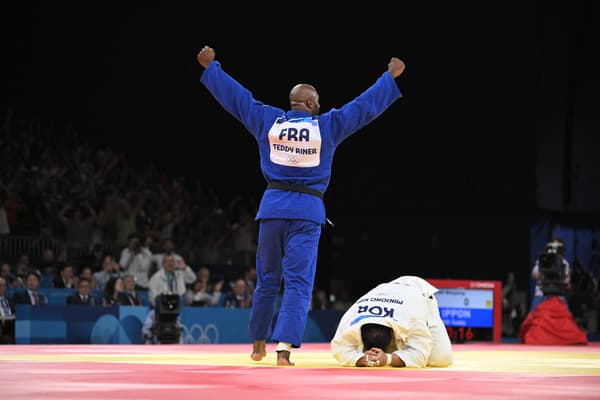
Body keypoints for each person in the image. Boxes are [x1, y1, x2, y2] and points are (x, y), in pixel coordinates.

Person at [196, 45, 406, 365]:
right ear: (309, 103)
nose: (320, 105)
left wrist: (212, 69)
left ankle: (257, 345)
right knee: (298, 282)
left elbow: (237, 99)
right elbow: (363, 107)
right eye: (317, 101)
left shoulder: (269, 121)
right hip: (307, 212)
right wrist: (388, 77)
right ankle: (283, 350)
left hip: (273, 208)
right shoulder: (327, 127)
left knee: (266, 278)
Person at [330, 276, 453, 368]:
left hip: (419, 292)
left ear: (392, 333)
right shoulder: (350, 320)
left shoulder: (412, 320)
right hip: (386, 290)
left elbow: (420, 355)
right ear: (360, 332)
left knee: (441, 359)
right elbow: (338, 350)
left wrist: (388, 359)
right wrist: (362, 358)